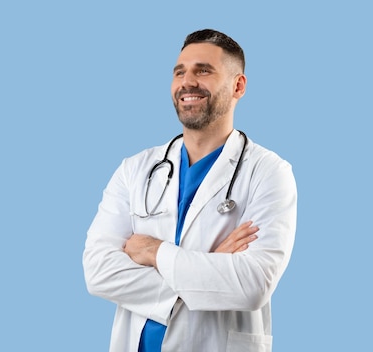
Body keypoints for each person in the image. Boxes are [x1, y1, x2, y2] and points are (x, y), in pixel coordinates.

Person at [83, 29, 297, 352]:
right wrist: (209, 267)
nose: (187, 82)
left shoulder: (269, 173)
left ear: (238, 86)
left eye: (204, 70)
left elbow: (253, 284)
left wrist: (155, 252)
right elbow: (98, 271)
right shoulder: (135, 169)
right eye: (179, 72)